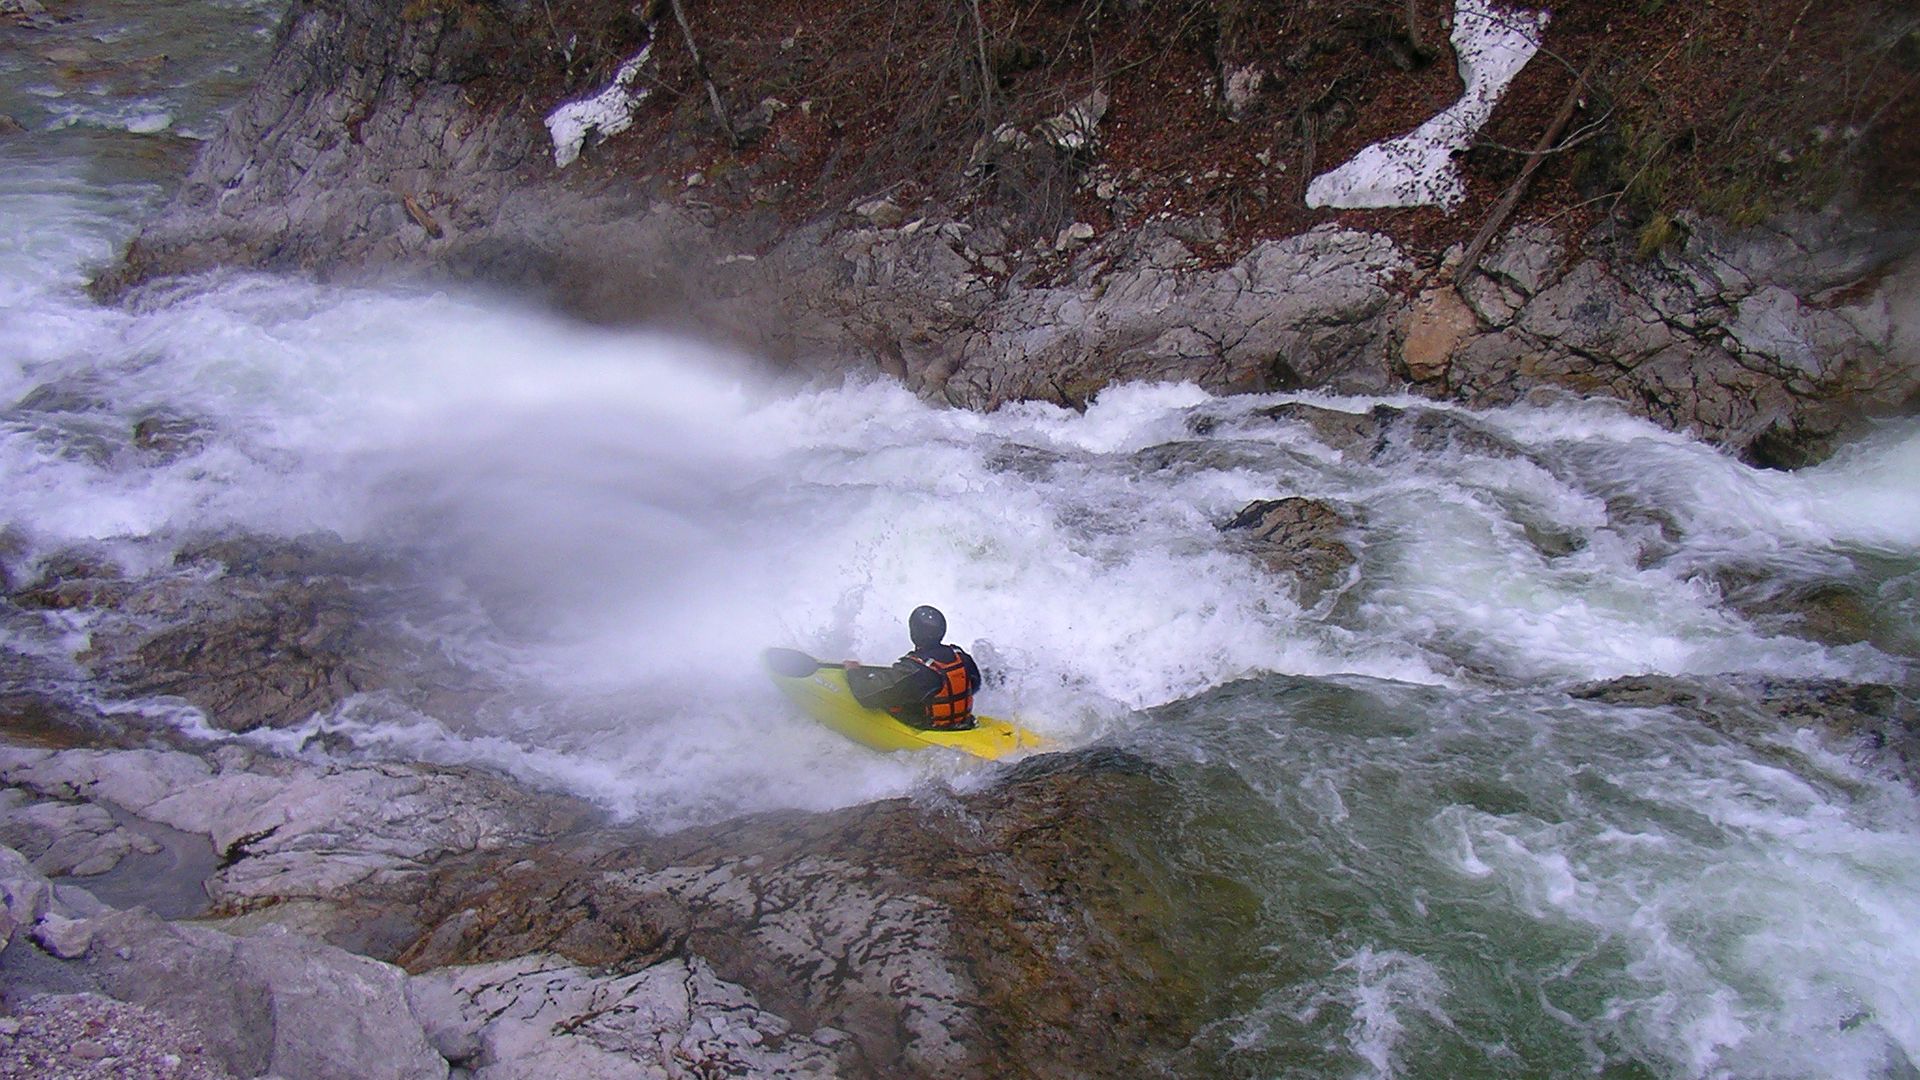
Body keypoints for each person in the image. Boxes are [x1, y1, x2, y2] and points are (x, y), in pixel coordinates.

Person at [845, 605, 982, 730]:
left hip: (929, 729)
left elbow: (865, 696)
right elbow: (974, 686)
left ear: (914, 633)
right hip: (964, 724)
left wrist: (853, 671)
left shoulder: (913, 670)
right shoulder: (962, 657)